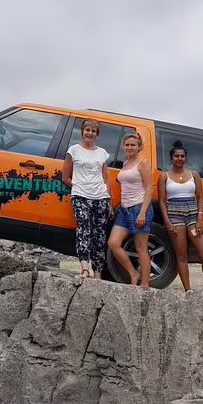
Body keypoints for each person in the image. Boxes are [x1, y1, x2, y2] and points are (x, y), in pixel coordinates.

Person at [157, 141, 203, 292]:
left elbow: (200, 197)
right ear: (172, 158)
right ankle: (188, 290)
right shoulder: (165, 176)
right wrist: (167, 222)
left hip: (193, 215)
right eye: (176, 156)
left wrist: (200, 219)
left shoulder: (193, 174)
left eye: (182, 156)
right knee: (181, 255)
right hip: (175, 215)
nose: (179, 158)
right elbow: (162, 201)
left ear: (186, 158)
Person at [62, 119, 113, 278]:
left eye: (93, 131)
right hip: (81, 196)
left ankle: (97, 273)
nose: (89, 133)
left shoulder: (102, 153)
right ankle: (85, 267)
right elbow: (65, 177)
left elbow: (106, 178)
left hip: (101, 197)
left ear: (97, 134)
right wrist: (78, 187)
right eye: (87, 130)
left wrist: (109, 202)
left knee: (99, 235)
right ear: (82, 132)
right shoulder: (74, 150)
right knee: (83, 230)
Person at [108, 133, 153, 287]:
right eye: (127, 145)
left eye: (133, 145)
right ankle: (133, 273)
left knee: (141, 248)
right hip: (124, 210)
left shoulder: (142, 163)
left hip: (139, 208)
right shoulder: (126, 163)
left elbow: (149, 189)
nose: (129, 147)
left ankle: (145, 285)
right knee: (113, 243)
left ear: (139, 147)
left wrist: (142, 212)